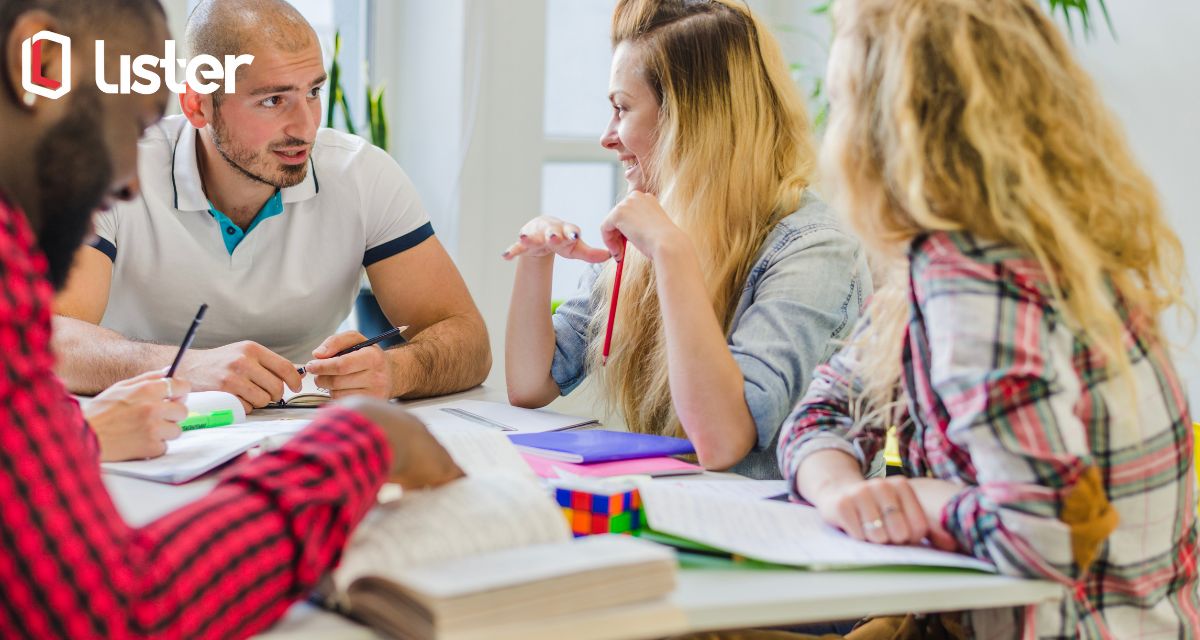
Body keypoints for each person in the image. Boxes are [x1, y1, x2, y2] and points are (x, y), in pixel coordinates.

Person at [0, 0, 463, 635]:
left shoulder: (359, 172)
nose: (130, 185)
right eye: (124, 123)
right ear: (39, 62)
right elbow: (113, 613)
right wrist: (363, 442)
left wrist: (79, 440)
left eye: (314, 92)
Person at [777, 0, 1198, 637]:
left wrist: (927, 500)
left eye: (840, 103)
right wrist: (838, 490)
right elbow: (821, 411)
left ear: (887, 126)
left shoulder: (974, 277)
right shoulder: (1047, 250)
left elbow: (1046, 535)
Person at [52, 0, 490, 413]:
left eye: (314, 92)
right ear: (198, 105)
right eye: (272, 100)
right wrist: (182, 367)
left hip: (298, 429)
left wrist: (395, 370)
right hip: (139, 428)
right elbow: (45, 337)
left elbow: (467, 337)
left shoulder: (363, 175)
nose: (305, 127)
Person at [504, 0, 871, 479]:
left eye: (622, 109)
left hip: (784, 533)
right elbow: (531, 385)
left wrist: (671, 254)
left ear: (691, 122)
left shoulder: (814, 249)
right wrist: (537, 259)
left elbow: (720, 442)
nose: (607, 136)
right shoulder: (652, 227)